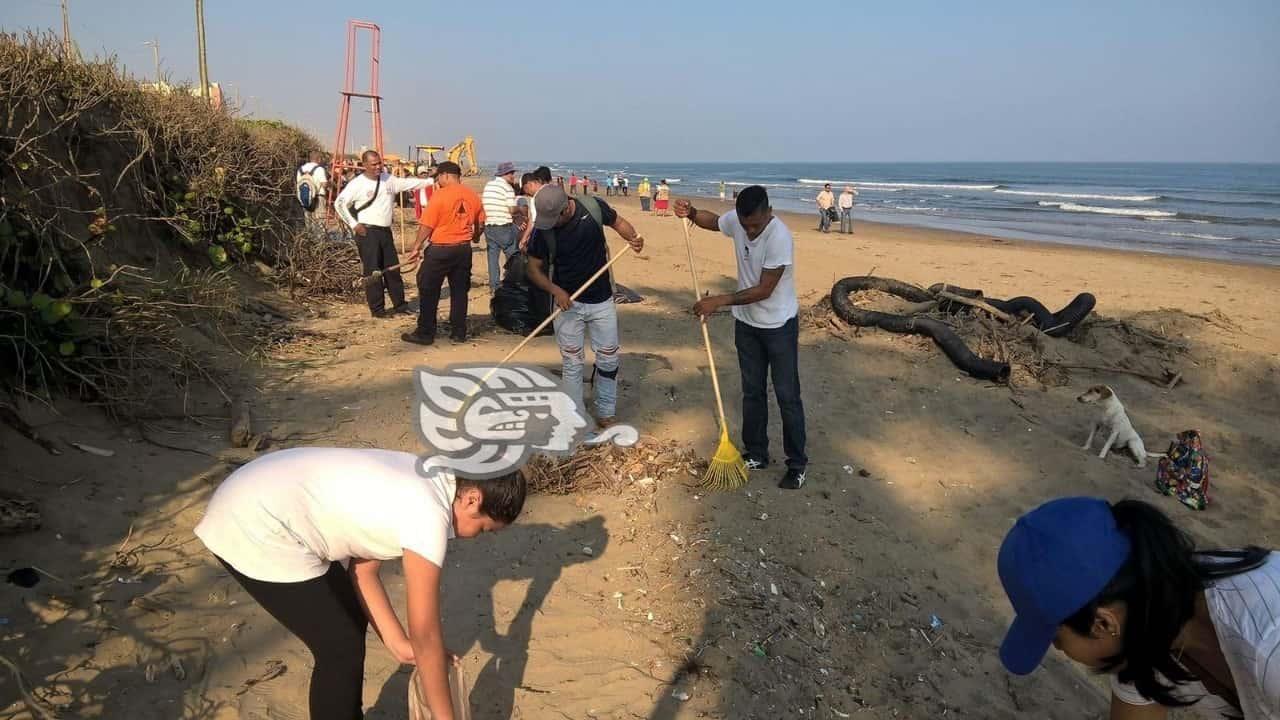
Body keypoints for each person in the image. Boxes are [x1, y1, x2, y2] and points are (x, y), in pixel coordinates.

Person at [195, 447, 526, 720]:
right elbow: (426, 633)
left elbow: (363, 571)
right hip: (254, 522)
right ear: (471, 499)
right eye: (483, 528)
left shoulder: (431, 476)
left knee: (349, 621)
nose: (476, 538)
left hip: (258, 493)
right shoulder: (428, 515)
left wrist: (397, 642)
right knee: (339, 647)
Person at [998, 497, 1278, 719]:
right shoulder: (1144, 625)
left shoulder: (1269, 643)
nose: (1060, 650)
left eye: (1057, 639)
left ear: (1103, 624)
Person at [675, 187, 807, 489]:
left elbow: (764, 290)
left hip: (778, 326)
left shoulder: (779, 238)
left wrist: (717, 301)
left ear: (769, 212)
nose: (749, 230)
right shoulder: (738, 220)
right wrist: (692, 213)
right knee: (752, 391)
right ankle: (757, 453)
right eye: (745, 224)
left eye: (755, 225)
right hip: (746, 326)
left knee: (788, 396)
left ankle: (797, 463)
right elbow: (714, 222)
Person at [525, 185, 643, 428]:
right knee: (572, 363)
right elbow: (533, 269)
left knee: (608, 360)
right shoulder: (542, 231)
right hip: (568, 306)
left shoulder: (593, 207)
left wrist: (633, 238)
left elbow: (618, 222)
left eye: (553, 219)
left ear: (566, 207)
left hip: (602, 301)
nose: (548, 224)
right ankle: (573, 413)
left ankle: (606, 412)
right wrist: (555, 290)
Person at [334, 150, 433, 318]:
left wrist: (432, 180)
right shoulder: (357, 184)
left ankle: (400, 305)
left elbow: (410, 184)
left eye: (379, 163)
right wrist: (354, 224)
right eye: (373, 164)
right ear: (364, 165)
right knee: (373, 272)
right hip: (367, 232)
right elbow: (339, 203)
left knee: (392, 269)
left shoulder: (389, 180)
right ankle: (378, 309)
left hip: (385, 232)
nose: (378, 167)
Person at [402, 161, 485, 346]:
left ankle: (425, 332)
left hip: (440, 249)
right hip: (463, 249)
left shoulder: (440, 196)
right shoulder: (472, 195)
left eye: (438, 176)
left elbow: (427, 225)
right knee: (459, 291)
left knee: (428, 290)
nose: (437, 180)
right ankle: (458, 332)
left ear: (446, 175)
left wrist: (416, 246)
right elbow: (480, 222)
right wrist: (477, 237)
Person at [481, 162, 520, 294]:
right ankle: (514, 283)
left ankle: (494, 286)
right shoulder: (507, 188)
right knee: (514, 257)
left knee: (492, 258)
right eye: (511, 173)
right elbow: (511, 210)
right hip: (503, 226)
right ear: (505, 174)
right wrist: (519, 209)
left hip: (489, 226)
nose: (513, 176)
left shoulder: (488, 185)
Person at [517, 166, 553, 252]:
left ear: (530, 184)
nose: (526, 194)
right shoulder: (552, 191)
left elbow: (533, 221)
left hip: (545, 236)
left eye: (525, 190)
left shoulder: (536, 198)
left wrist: (523, 240)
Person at [296, 151, 329, 233]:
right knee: (319, 222)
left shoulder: (300, 169)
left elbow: (298, 183)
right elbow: (324, 184)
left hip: (304, 198)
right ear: (319, 159)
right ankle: (319, 242)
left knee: (308, 221)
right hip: (318, 197)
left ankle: (309, 239)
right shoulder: (320, 169)